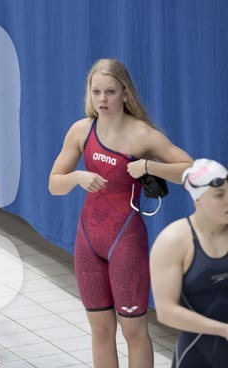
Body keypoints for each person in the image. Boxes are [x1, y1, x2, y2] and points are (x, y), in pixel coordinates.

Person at [48, 58, 192, 368]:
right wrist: (77, 177)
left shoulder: (141, 135)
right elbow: (54, 184)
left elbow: (190, 170)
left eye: (110, 92)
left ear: (125, 93)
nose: (102, 99)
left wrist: (149, 166)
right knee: (100, 331)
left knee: (133, 332)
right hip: (88, 243)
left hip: (125, 242)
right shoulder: (81, 131)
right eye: (96, 92)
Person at [150, 158, 228, 368]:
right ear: (197, 198)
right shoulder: (174, 241)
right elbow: (166, 312)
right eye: (219, 195)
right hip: (197, 356)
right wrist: (223, 330)